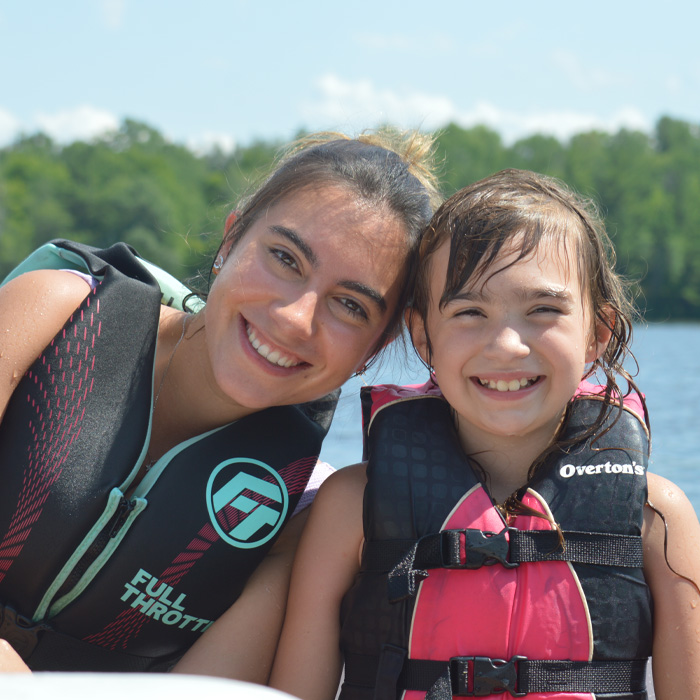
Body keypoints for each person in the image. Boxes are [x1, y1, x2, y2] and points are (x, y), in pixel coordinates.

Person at [0, 130, 441, 678]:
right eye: (285, 258)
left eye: (349, 305)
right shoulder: (55, 313)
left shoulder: (302, 512)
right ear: (231, 241)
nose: (294, 318)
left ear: (371, 352)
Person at [269, 170, 700, 700]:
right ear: (423, 337)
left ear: (598, 334)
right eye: (470, 312)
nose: (507, 346)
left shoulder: (656, 518)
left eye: (543, 310)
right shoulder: (350, 508)